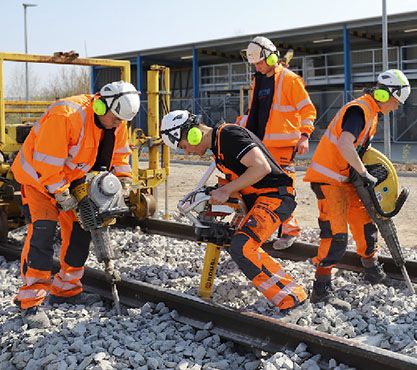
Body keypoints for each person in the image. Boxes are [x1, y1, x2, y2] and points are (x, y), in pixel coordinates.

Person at [12, 81, 140, 328]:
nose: (117, 125)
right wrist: (62, 196)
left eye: (121, 121)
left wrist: (122, 182)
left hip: (73, 181)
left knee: (82, 231)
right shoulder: (65, 115)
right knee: (43, 233)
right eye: (115, 119)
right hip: (38, 181)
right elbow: (46, 163)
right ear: (101, 105)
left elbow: (120, 155)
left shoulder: (116, 122)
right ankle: (30, 302)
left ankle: (66, 290)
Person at [161, 110, 308, 312]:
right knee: (228, 238)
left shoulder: (229, 135)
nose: (187, 153)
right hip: (260, 200)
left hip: (275, 198)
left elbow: (260, 168)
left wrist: (226, 190)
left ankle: (294, 299)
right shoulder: (219, 148)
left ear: (193, 133)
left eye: (184, 146)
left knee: (243, 247)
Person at [303, 69, 411, 303]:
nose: (396, 108)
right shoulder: (359, 110)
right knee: (336, 236)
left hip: (344, 179)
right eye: (396, 102)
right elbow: (344, 144)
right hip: (329, 180)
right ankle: (321, 288)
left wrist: (368, 171)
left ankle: (371, 270)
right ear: (384, 95)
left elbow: (359, 151)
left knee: (365, 226)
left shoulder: (371, 114)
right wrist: (364, 173)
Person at [241, 36, 317, 250]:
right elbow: (253, 112)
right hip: (259, 145)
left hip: (282, 147)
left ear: (271, 56)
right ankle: (260, 229)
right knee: (256, 189)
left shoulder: (290, 79)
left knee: (282, 190)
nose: (257, 66)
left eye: (259, 62)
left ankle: (290, 231)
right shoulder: (259, 80)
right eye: (254, 64)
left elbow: (308, 109)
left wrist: (304, 135)